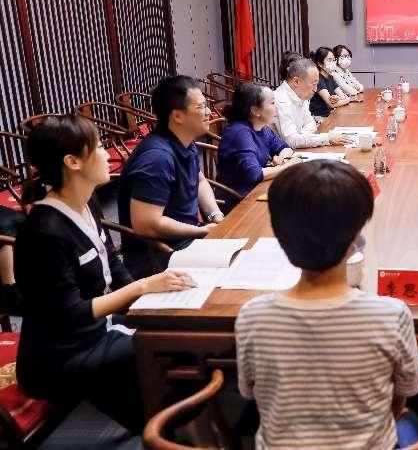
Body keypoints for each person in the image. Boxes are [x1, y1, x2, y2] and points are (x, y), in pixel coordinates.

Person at [13, 115, 196, 434]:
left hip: (96, 330)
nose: (106, 153)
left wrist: (149, 303)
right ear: (72, 162)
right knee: (166, 351)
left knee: (176, 331)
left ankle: (166, 425)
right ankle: (163, 430)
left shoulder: (86, 204)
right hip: (61, 353)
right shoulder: (44, 232)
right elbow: (70, 315)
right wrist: (142, 287)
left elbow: (113, 263)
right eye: (98, 147)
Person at [236, 160, 418, 449]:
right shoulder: (391, 314)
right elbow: (403, 394)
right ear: (356, 239)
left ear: (280, 237)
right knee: (414, 420)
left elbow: (250, 393)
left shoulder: (252, 316)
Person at [117, 75, 224, 279]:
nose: (209, 112)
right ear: (177, 116)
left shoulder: (184, 141)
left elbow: (200, 181)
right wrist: (201, 231)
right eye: (201, 107)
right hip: (159, 257)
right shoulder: (157, 158)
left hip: (186, 240)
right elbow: (147, 224)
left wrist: (215, 216)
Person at [217, 82, 295, 197]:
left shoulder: (261, 127)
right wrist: (286, 166)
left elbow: (284, 147)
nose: (276, 106)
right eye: (272, 103)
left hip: (257, 189)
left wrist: (282, 158)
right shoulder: (240, 132)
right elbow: (254, 174)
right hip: (239, 199)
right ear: (255, 111)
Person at [274, 56, 351, 148]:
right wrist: (327, 138)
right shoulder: (281, 99)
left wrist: (302, 137)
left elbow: (311, 124)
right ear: (296, 81)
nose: (315, 89)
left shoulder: (301, 94)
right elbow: (291, 141)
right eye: (314, 84)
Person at [309, 46, 351, 119]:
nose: (333, 63)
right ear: (320, 64)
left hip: (329, 114)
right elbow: (331, 104)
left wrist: (338, 98)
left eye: (334, 60)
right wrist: (347, 100)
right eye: (329, 60)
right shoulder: (318, 79)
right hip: (319, 117)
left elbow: (342, 95)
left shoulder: (330, 77)